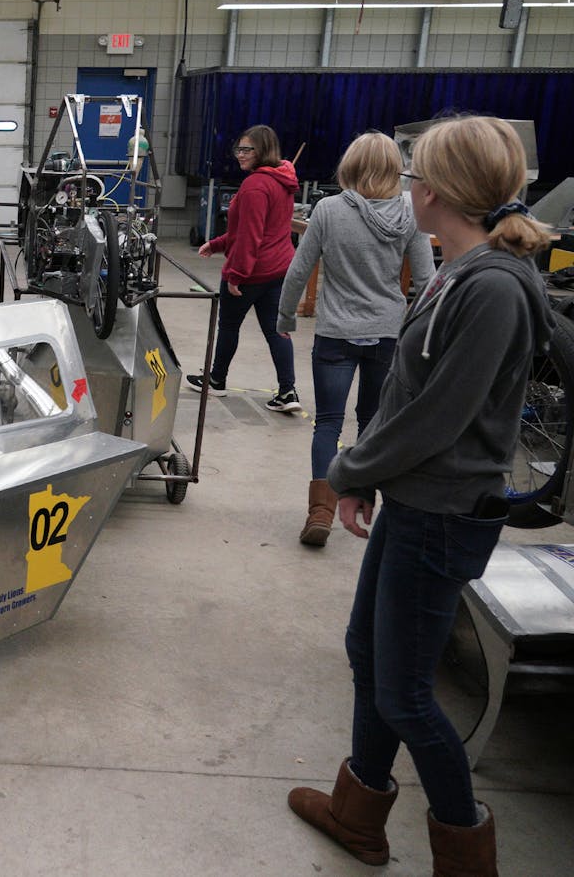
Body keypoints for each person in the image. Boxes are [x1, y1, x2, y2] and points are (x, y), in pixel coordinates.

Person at [286, 117, 551, 876]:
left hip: (440, 514)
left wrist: (348, 470)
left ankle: (466, 852)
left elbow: (438, 417)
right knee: (367, 652)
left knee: (406, 695)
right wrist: (369, 474)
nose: (409, 186)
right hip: (414, 501)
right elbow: (413, 394)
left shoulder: (494, 288)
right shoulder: (460, 269)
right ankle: (359, 810)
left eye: (417, 174)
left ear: (439, 191)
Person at [276, 133, 435, 547]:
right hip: (386, 333)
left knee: (328, 422)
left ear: (350, 165)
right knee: (372, 422)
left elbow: (298, 271)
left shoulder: (329, 210)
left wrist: (285, 317)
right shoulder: (409, 213)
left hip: (336, 333)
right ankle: (364, 505)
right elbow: (427, 281)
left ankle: (321, 512)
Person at [185, 125, 301, 412]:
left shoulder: (255, 185)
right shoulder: (283, 180)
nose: (241, 155)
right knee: (277, 330)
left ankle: (216, 380)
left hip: (252, 272)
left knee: (228, 326)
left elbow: (251, 235)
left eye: (248, 149)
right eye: (239, 149)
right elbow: (253, 229)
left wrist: (236, 275)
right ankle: (288, 391)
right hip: (279, 269)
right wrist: (217, 244)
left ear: (263, 150)